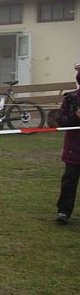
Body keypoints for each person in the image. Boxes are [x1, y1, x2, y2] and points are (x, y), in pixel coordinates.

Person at [55, 64, 80, 225]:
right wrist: (75, 117)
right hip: (74, 149)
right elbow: (61, 121)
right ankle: (63, 211)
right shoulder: (71, 98)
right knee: (69, 181)